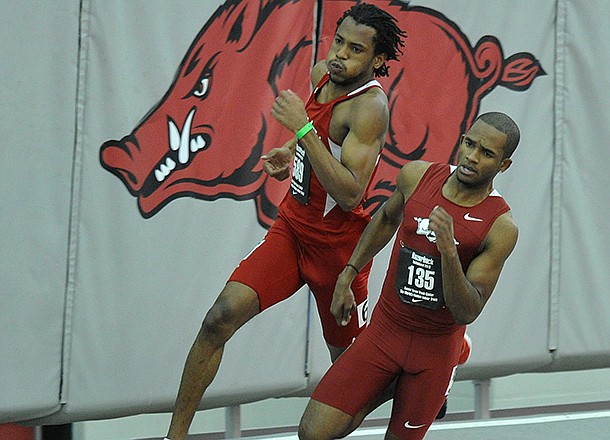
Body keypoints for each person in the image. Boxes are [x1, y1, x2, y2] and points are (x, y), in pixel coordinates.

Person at [163, 4, 406, 440]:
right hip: (292, 233)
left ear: (378, 61)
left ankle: (411, 382)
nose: (339, 55)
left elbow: (351, 193)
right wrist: (292, 156)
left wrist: (302, 134)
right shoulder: (320, 76)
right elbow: (318, 146)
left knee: (350, 379)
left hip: (338, 252)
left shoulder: (370, 107)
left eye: (355, 50)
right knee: (219, 318)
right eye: (338, 42)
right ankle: (175, 436)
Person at [298, 111, 521, 440]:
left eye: (486, 153)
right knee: (313, 432)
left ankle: (443, 364)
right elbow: (387, 218)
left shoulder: (501, 227)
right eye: (470, 144)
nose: (472, 157)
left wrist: (448, 251)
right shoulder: (417, 176)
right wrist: (349, 271)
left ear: (503, 165)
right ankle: (394, 381)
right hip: (385, 332)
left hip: (434, 351)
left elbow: (468, 309)